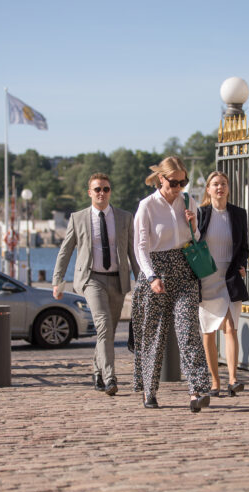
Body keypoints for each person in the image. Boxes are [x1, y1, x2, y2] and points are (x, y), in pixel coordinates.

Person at [132, 156, 211, 412]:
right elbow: (140, 248)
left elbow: (195, 238)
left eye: (183, 182)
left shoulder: (188, 201)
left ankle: (197, 389)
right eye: (174, 182)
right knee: (154, 334)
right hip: (156, 271)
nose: (178, 187)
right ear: (161, 179)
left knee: (188, 329)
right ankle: (149, 390)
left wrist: (194, 224)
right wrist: (151, 276)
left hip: (184, 268)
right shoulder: (146, 206)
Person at [52, 173, 140, 396]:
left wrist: (142, 280)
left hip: (117, 280)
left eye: (106, 189)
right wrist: (57, 281)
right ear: (89, 192)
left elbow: (132, 251)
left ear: (111, 191)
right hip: (92, 280)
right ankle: (110, 378)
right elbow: (65, 251)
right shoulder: (78, 218)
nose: (102, 193)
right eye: (98, 189)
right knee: (103, 326)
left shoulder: (124, 217)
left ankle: (96, 371)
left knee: (107, 332)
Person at [197, 171, 249, 397]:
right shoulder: (201, 214)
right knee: (208, 331)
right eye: (215, 184)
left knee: (230, 327)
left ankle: (233, 379)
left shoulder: (238, 214)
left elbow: (244, 245)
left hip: (229, 277)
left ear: (228, 188)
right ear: (208, 189)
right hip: (207, 276)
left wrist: (242, 264)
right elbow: (192, 242)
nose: (220, 187)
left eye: (223, 184)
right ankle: (215, 382)